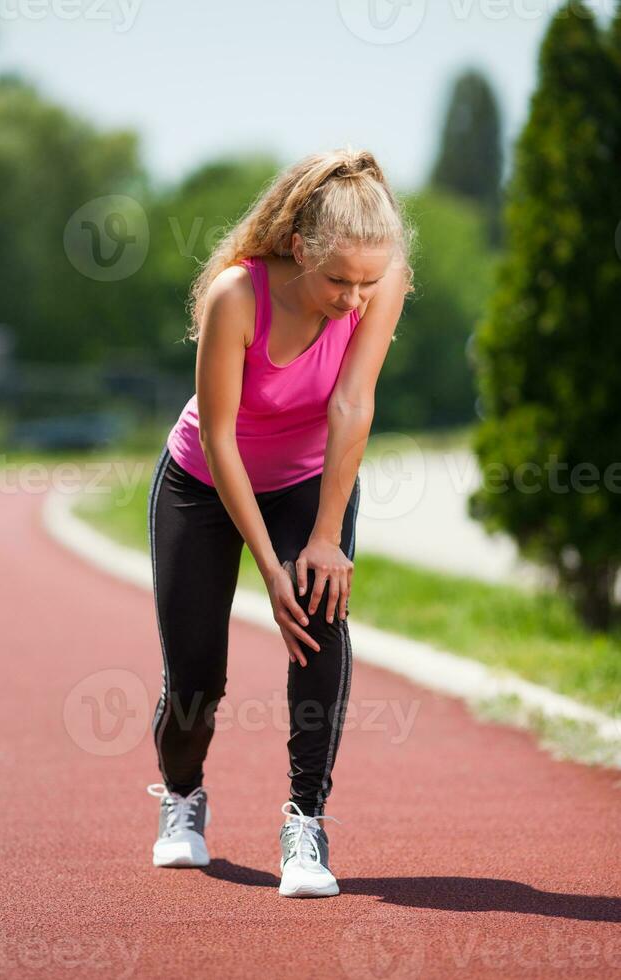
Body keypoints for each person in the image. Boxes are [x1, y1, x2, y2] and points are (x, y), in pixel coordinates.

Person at [145, 146, 415, 898]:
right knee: (196, 675)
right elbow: (221, 436)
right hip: (206, 480)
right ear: (299, 246)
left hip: (306, 481)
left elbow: (352, 403)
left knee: (320, 620)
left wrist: (324, 538)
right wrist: (268, 567)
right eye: (338, 280)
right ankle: (181, 796)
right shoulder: (237, 294)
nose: (353, 300)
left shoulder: (379, 281)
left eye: (366, 282)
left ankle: (306, 822)